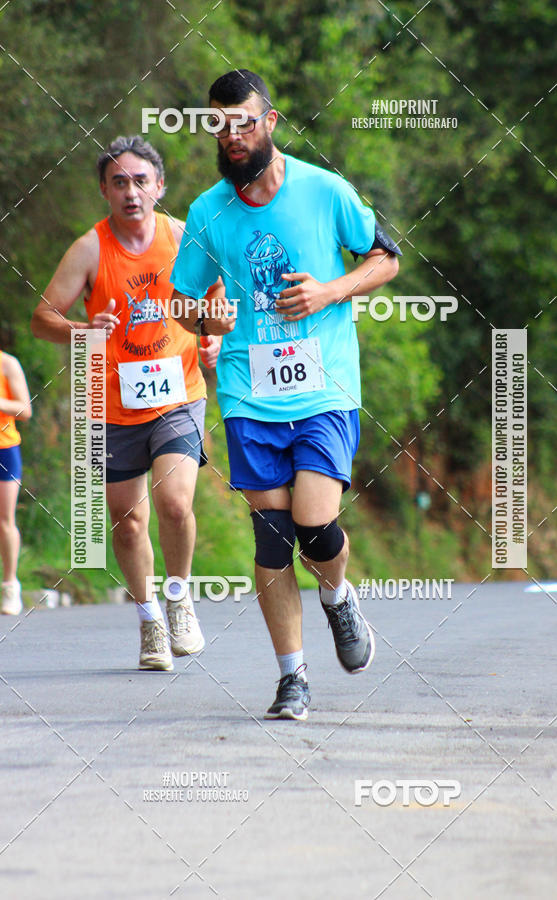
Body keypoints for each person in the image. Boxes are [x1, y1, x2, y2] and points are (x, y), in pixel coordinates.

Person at [170, 70, 400, 719]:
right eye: (221, 123)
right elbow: (184, 301)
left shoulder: (324, 191)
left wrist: (329, 291)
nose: (233, 134)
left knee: (313, 520)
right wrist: (207, 319)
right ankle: (291, 678)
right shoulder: (207, 211)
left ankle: (337, 599)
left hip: (324, 383)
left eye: (245, 121)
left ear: (269, 123)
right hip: (249, 390)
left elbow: (386, 259)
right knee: (272, 537)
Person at [31, 135, 221, 671]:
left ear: (159, 187)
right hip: (109, 401)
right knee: (127, 520)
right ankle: (149, 620)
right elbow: (42, 319)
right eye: (119, 182)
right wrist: (82, 329)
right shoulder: (90, 249)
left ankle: (180, 599)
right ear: (104, 192)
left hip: (178, 392)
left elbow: (218, 304)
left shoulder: (185, 238)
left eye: (141, 181)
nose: (131, 192)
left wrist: (214, 338)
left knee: (175, 503)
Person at [0, 350, 32, 615]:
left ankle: (10, 585)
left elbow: (24, 409)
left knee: (4, 519)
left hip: (4, 448)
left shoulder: (8, 363)